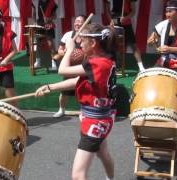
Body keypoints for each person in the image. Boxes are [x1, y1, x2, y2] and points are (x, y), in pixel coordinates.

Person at [35, 23, 117, 180]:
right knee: (102, 153)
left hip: (95, 122)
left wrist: (70, 49)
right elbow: (78, 81)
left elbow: (62, 70)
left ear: (93, 43)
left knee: (78, 175)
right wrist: (50, 87)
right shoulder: (104, 61)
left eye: (83, 39)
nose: (80, 42)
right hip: (102, 118)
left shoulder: (96, 64)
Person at [147, 0, 177, 83]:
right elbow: (151, 40)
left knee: (173, 83)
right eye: (166, 12)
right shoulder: (163, 24)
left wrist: (170, 49)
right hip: (163, 61)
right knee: (150, 78)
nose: (167, 14)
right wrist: (151, 42)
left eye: (170, 12)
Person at [52, 15, 86, 118]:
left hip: (81, 68)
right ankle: (61, 110)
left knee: (83, 92)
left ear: (85, 24)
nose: (77, 23)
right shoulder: (68, 35)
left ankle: (83, 111)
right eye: (76, 21)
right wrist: (65, 52)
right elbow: (59, 50)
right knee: (64, 92)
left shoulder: (88, 36)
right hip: (69, 68)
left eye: (80, 21)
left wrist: (81, 53)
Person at [105, 0, 145, 72]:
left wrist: (126, 18)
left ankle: (141, 67)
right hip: (114, 22)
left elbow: (133, 11)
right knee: (113, 44)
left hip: (126, 22)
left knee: (133, 45)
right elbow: (107, 11)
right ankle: (113, 65)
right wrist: (110, 20)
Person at [34, 0, 58, 70]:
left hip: (49, 24)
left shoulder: (52, 3)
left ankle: (54, 62)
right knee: (38, 43)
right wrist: (34, 21)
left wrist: (48, 18)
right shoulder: (37, 2)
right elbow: (34, 12)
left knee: (50, 44)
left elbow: (55, 16)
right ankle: (38, 61)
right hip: (39, 24)